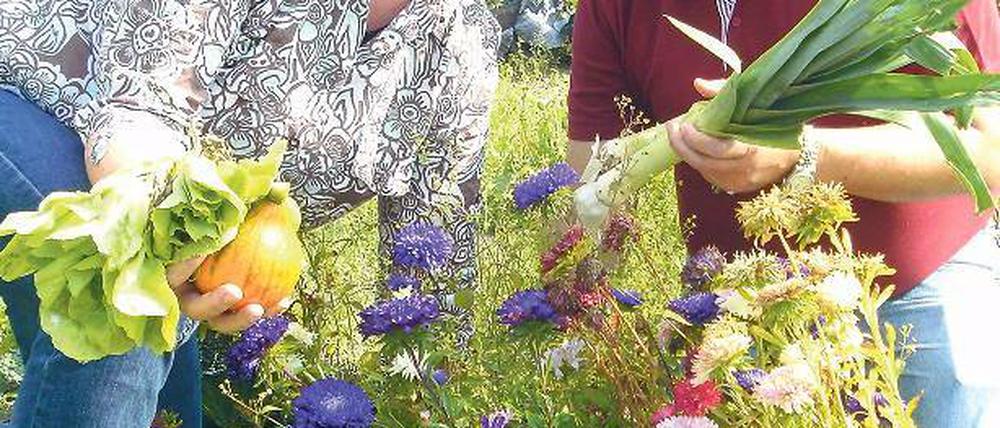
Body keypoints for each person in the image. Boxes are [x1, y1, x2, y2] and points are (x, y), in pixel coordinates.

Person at [0, 0, 499, 425]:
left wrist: (435, 398)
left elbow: (435, 242)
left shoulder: (463, 43)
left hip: (190, 225)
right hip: (34, 106)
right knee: (127, 310)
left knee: (168, 414)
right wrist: (165, 246)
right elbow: (140, 109)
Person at [566, 0, 1000, 426]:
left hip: (913, 294)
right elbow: (593, 166)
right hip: (740, 315)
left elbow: (989, 149)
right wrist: (575, 306)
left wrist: (804, 154)